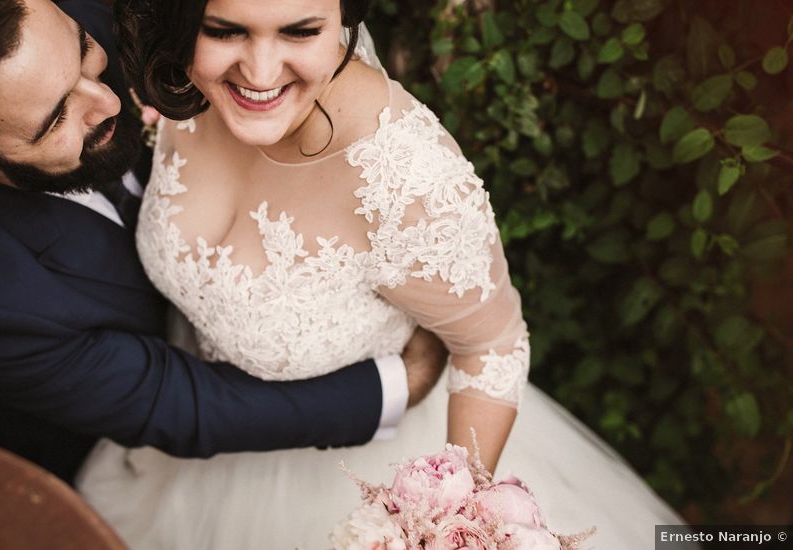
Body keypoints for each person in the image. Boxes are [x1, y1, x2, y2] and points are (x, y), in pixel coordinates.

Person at [72, 0, 689, 548]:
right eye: (224, 30)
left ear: (343, 18)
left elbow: (492, 344)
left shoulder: (406, 179)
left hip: (353, 472)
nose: (259, 74)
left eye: (301, 31)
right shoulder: (178, 80)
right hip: (192, 448)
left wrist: (445, 521)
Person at [0, 0, 449, 486]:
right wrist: (394, 386)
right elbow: (176, 400)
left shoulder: (103, 13)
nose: (108, 100)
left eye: (86, 55)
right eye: (56, 119)